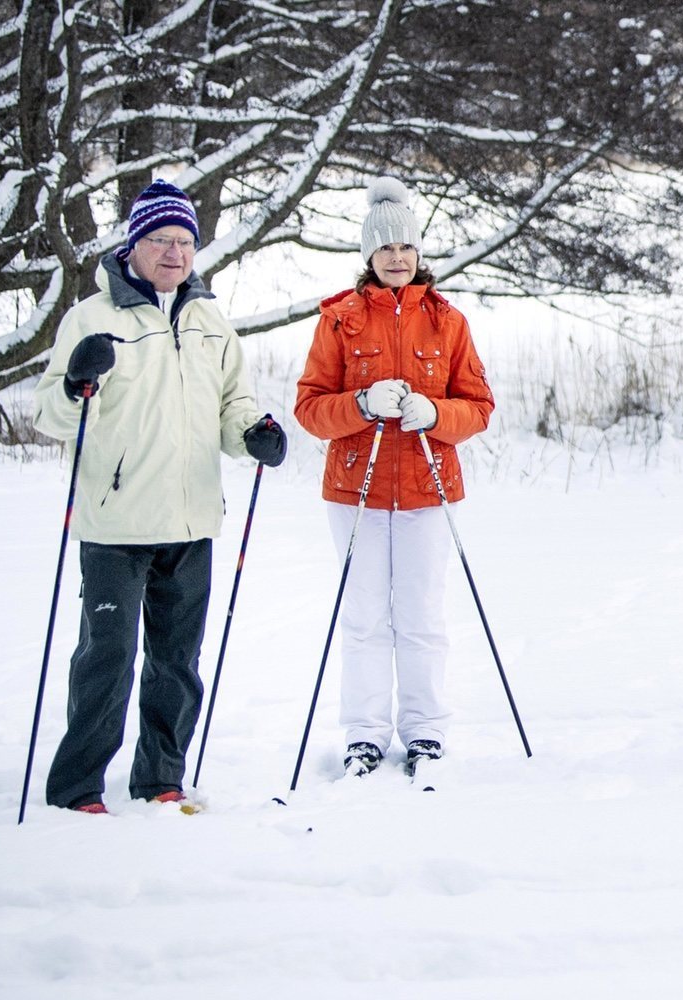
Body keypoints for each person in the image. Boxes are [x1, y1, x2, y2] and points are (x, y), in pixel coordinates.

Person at [31, 180, 286, 813]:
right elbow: (51, 414)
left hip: (191, 518)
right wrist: (74, 384)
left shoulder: (210, 320)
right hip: (116, 523)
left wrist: (253, 434)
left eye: (183, 242)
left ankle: (160, 778)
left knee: (177, 662)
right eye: (160, 240)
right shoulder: (90, 320)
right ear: (134, 245)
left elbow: (233, 405)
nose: (173, 254)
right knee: (107, 661)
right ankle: (76, 788)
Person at [294, 177, 494, 775]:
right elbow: (310, 409)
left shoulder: (448, 322)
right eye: (386, 250)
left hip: (429, 491)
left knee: (422, 614)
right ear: (368, 256)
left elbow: (479, 407)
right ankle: (364, 733)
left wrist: (436, 415)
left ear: (418, 252)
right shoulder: (339, 321)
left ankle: (425, 730)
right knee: (362, 617)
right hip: (355, 491)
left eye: (406, 248)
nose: (398, 259)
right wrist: (361, 403)